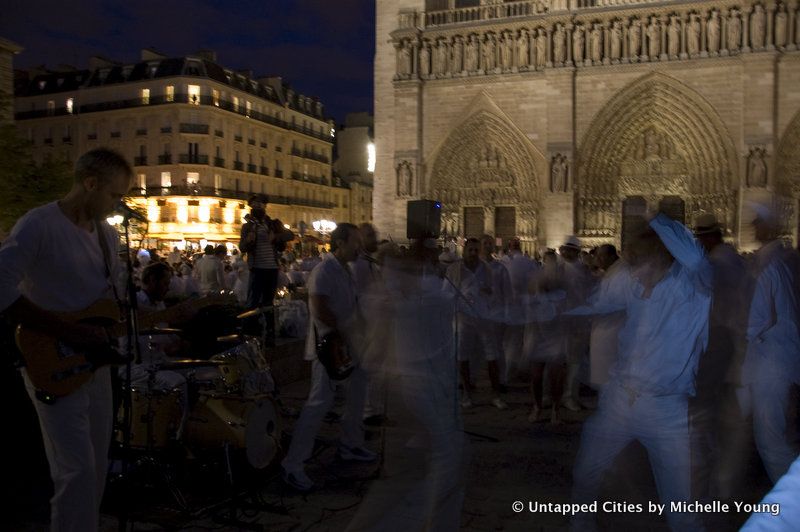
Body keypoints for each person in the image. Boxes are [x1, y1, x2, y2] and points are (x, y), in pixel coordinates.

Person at [0, 148, 133, 532]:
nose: (118, 204)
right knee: (75, 471)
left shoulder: (108, 236)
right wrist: (69, 332)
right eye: (114, 194)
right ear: (90, 184)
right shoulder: (37, 224)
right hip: (52, 364)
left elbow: (105, 305)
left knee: (95, 470)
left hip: (96, 365)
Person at [570, 213, 711, 531]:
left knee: (680, 506)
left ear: (660, 257)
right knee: (587, 471)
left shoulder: (692, 287)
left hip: (666, 408)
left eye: (638, 260)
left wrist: (657, 221)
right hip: (621, 399)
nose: (632, 270)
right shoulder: (633, 285)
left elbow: (695, 257)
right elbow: (594, 304)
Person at [281, 223, 376, 491]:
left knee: (358, 394)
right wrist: (347, 333)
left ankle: (351, 445)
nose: (361, 246)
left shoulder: (347, 270)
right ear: (340, 243)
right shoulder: (324, 271)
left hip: (349, 346)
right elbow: (320, 310)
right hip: (331, 348)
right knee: (318, 404)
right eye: (356, 241)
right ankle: (293, 464)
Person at [741, 203, 800, 484]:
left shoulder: (768, 268)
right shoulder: (780, 263)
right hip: (774, 360)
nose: (753, 227)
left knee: (771, 439)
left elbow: (758, 319)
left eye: (757, 223)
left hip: (770, 363)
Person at [239, 193, 293, 344]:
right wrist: (249, 241)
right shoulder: (247, 226)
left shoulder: (273, 224)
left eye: (260, 205)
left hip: (272, 268)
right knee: (253, 301)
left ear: (265, 207)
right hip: (257, 267)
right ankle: (251, 333)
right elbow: (242, 247)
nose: (258, 207)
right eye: (255, 205)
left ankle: (270, 334)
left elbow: (289, 236)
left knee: (269, 302)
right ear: (251, 207)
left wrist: (275, 238)